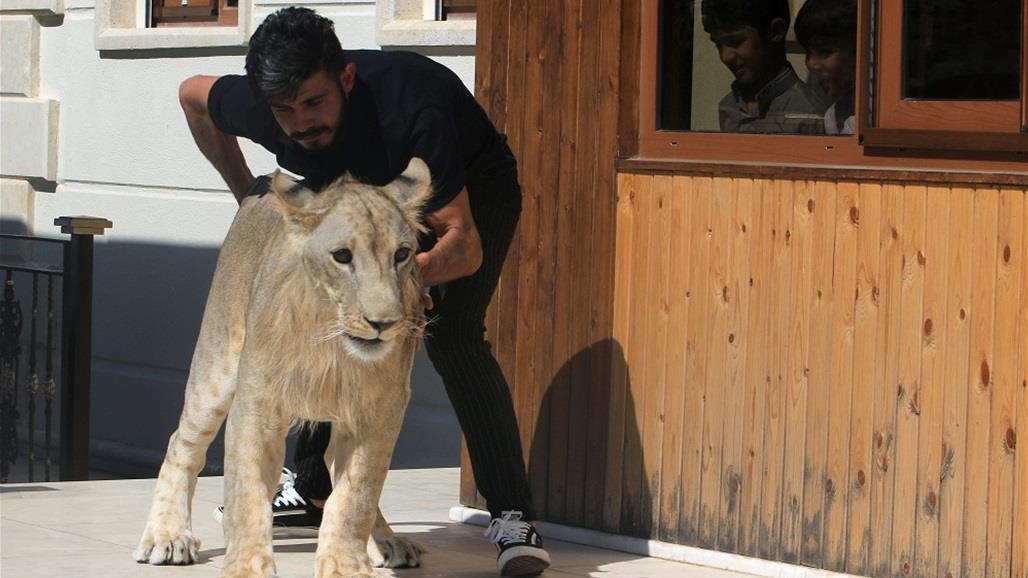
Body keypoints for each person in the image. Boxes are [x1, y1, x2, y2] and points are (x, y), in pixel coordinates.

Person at [178, 7, 550, 577]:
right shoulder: (265, 106)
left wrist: (399, 283)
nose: (300, 124)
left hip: (450, 199)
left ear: (346, 78)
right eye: (285, 111)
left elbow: (464, 242)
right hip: (346, 206)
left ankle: (512, 517)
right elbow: (194, 95)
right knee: (324, 324)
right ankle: (312, 488)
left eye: (314, 103)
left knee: (451, 337)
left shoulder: (412, 109)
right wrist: (245, 194)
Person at [701, 0, 827, 134]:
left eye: (736, 41)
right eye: (718, 45)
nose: (726, 56)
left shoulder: (808, 114)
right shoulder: (729, 107)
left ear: (776, 31)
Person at [795, 0, 857, 135]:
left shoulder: (879, 117)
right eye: (808, 52)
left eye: (824, 51)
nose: (811, 63)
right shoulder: (834, 115)